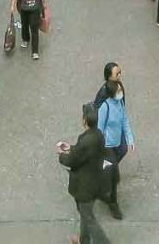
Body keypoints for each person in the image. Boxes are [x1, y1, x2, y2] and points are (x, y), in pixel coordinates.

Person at [57, 103, 109, 244]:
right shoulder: (98, 135)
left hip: (85, 188)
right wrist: (72, 147)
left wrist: (62, 155)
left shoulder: (86, 140)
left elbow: (72, 160)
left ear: (84, 120)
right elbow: (85, 153)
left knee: (88, 218)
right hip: (95, 182)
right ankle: (84, 240)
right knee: (85, 215)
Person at [97, 80, 134, 220]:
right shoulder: (105, 107)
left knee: (113, 166)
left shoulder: (120, 104)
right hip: (107, 146)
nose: (121, 93)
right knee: (114, 176)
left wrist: (130, 139)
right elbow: (99, 129)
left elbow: (125, 121)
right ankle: (113, 203)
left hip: (118, 142)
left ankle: (101, 178)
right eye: (118, 91)